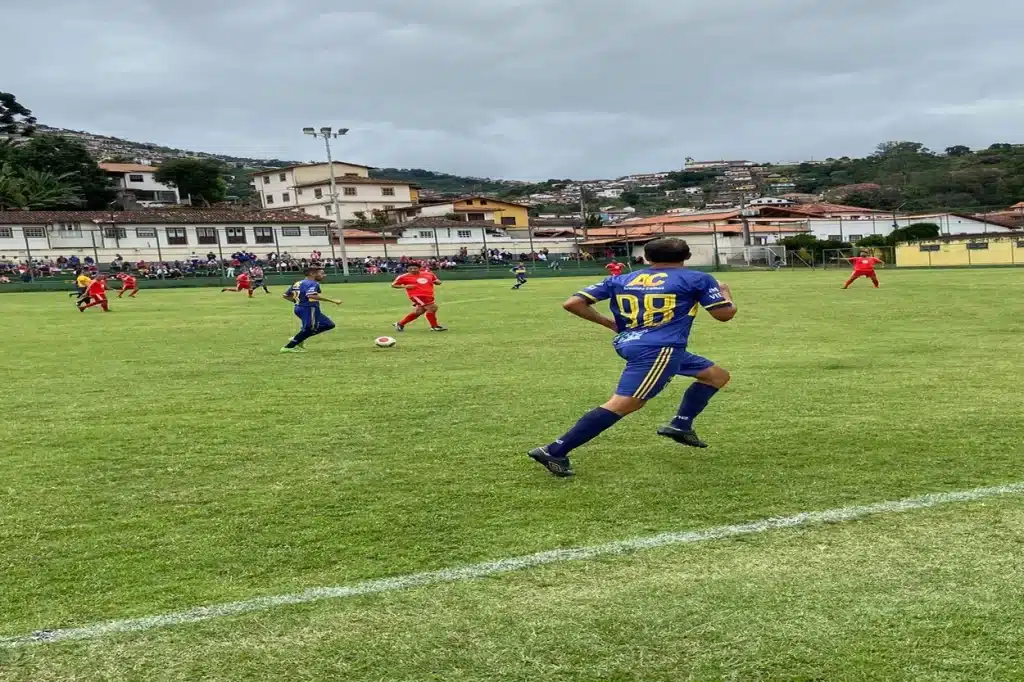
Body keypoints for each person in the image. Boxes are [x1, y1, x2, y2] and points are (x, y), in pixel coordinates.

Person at [528, 238, 737, 477]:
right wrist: (725, 292)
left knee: (716, 376)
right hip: (660, 348)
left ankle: (680, 424)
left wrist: (608, 323)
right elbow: (724, 315)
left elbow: (573, 302)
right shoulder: (697, 278)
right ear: (687, 257)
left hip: (632, 343)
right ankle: (555, 450)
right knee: (627, 403)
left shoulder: (622, 278)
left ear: (647, 259)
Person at [280, 267, 342, 353]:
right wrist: (333, 300)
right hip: (309, 309)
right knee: (310, 328)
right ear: (312, 274)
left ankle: (299, 338)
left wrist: (298, 302)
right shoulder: (313, 283)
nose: (324, 275)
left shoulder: (298, 283)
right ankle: (289, 347)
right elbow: (311, 295)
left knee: (329, 324)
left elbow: (285, 295)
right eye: (321, 273)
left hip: (300, 308)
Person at [392, 264, 447, 332]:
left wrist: (438, 282)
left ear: (419, 268)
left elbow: (437, 281)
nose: (413, 270)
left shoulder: (428, 274)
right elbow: (394, 285)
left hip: (429, 295)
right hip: (416, 295)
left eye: (415, 268)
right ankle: (434, 326)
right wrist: (405, 286)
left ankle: (400, 324)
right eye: (410, 269)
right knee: (432, 307)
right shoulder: (403, 277)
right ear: (407, 269)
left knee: (419, 311)